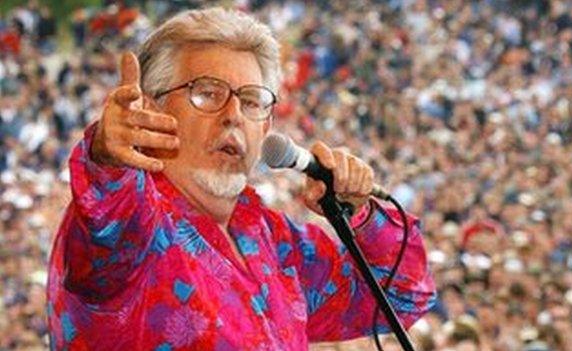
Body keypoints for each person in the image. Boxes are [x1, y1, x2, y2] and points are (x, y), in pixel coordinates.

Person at [46, 7, 436, 350]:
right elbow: (106, 217)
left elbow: (403, 295)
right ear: (151, 110)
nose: (233, 114)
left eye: (251, 101)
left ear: (266, 126)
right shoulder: (135, 224)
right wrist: (105, 156)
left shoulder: (273, 241)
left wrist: (360, 213)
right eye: (208, 93)